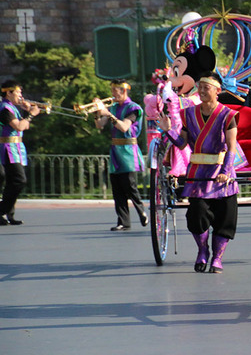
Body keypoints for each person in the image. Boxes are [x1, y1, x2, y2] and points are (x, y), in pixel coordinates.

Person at [160, 72, 239, 273]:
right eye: (200, 87)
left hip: (222, 172)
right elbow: (182, 143)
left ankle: (217, 258)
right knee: (196, 214)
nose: (202, 91)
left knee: (225, 217)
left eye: (207, 87)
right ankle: (202, 250)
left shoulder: (228, 115)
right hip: (197, 174)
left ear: (218, 91)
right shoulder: (188, 114)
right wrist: (169, 130)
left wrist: (226, 171)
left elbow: (231, 147)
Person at [94, 79, 147, 231]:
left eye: (115, 92)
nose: (112, 95)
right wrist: (97, 112)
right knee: (117, 188)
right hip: (116, 150)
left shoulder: (134, 108)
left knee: (130, 186)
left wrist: (108, 113)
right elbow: (100, 125)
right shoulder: (115, 107)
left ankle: (142, 212)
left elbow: (124, 127)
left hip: (129, 150)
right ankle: (123, 221)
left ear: (123, 91)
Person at [0, 80, 40, 225]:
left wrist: (26, 111)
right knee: (19, 180)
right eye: (18, 92)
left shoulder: (12, 107)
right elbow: (20, 126)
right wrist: (31, 114)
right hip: (8, 149)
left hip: (16, 147)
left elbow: (24, 126)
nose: (20, 95)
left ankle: (9, 214)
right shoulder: (5, 108)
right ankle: (1, 210)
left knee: (11, 182)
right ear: (9, 93)